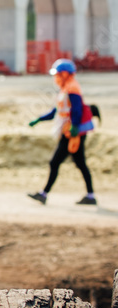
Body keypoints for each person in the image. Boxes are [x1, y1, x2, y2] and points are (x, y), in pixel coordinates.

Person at [27, 58, 96, 206]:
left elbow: (77, 109)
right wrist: (39, 119)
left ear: (65, 74)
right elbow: (55, 112)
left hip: (71, 133)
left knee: (55, 162)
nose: (55, 78)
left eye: (57, 74)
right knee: (80, 163)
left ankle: (44, 194)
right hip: (69, 132)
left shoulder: (72, 88)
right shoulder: (65, 89)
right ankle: (90, 196)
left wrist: (75, 128)